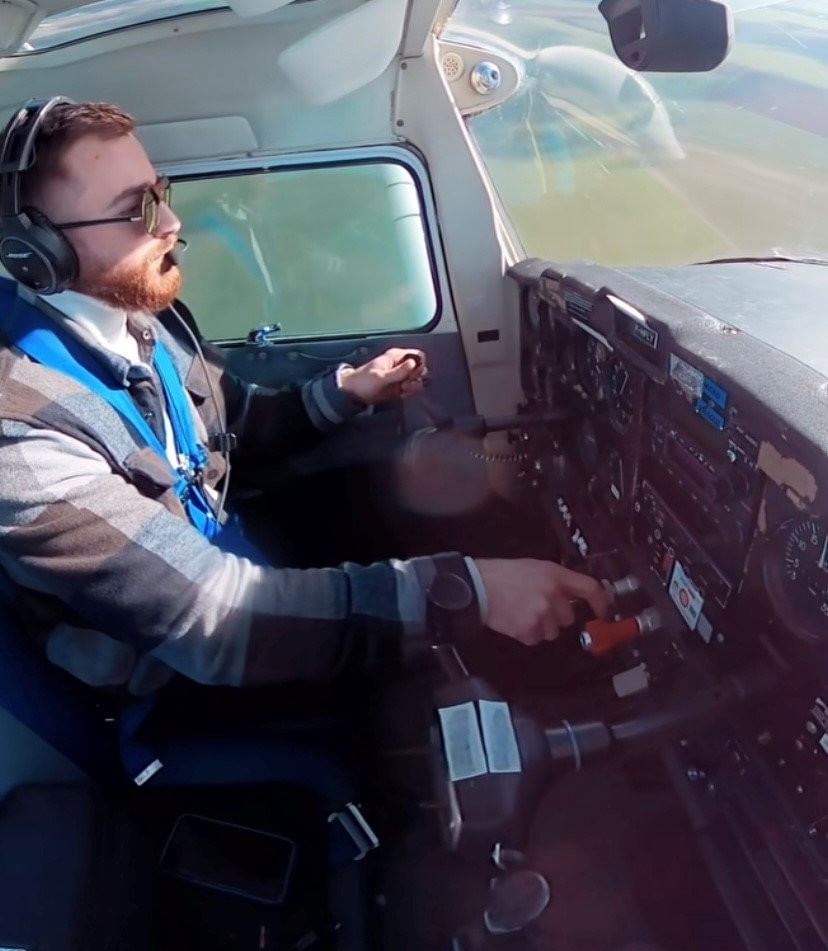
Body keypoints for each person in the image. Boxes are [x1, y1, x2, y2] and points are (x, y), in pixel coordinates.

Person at [0, 98, 607, 705]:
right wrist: (469, 592)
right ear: (38, 251)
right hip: (168, 677)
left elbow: (227, 419)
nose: (169, 225)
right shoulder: (20, 434)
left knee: (417, 496)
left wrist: (346, 391)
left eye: (160, 193)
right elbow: (208, 620)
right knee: (463, 657)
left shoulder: (141, 320)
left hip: (224, 548)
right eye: (134, 210)